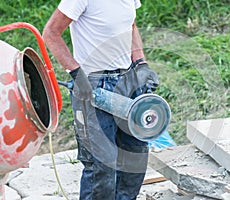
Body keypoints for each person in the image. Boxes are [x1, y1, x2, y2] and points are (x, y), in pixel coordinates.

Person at [42, 1, 158, 199]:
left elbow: (131, 26)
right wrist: (77, 74)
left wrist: (140, 63)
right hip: (94, 84)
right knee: (101, 166)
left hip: (127, 80)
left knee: (134, 156)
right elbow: (50, 33)